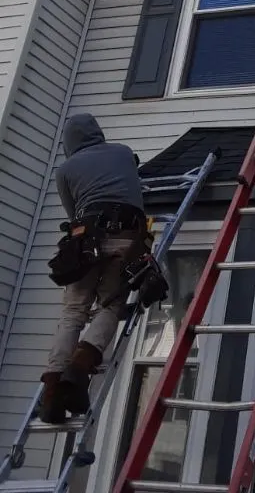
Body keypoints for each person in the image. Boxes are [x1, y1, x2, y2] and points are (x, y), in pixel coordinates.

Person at [40, 113, 147, 424]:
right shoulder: (124, 153)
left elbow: (73, 213)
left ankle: (52, 395)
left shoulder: (66, 169)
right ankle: (80, 366)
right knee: (111, 304)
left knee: (74, 311)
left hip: (87, 237)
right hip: (129, 235)